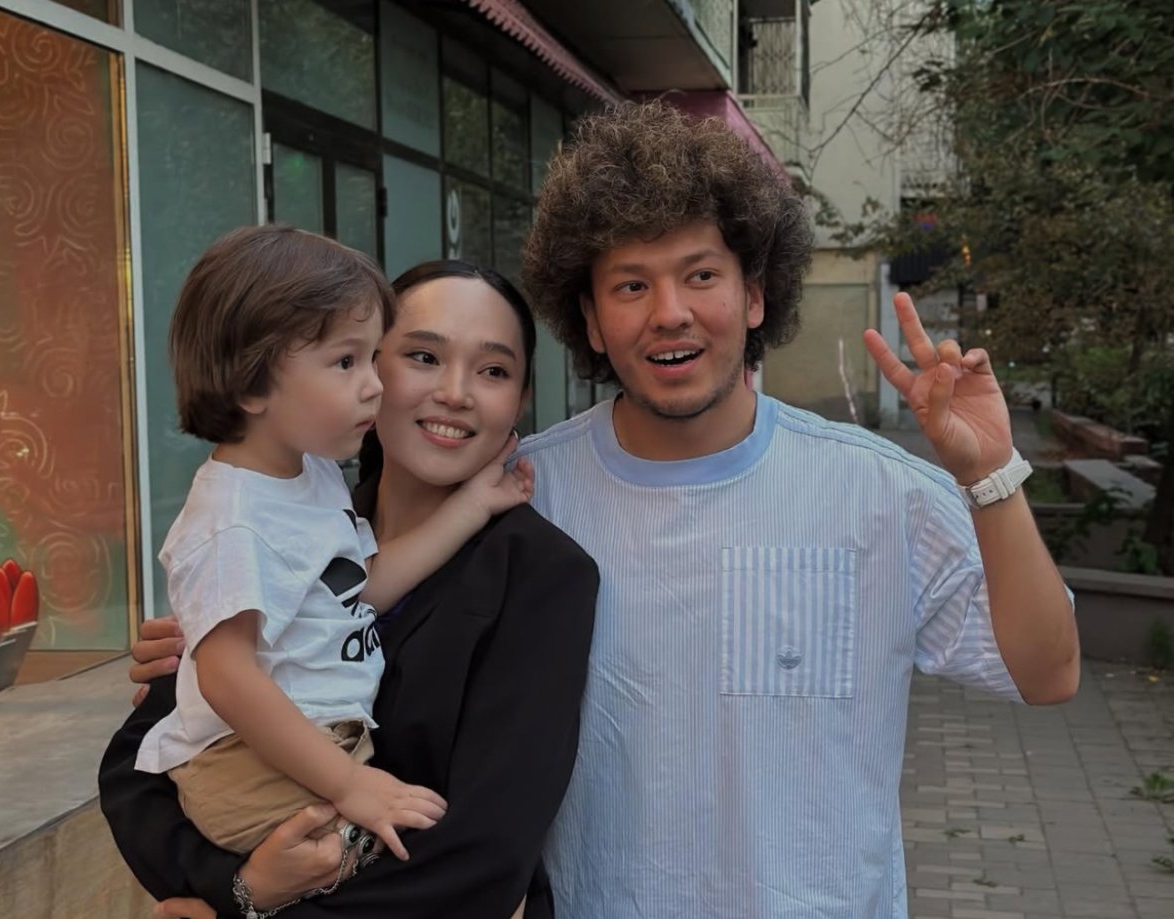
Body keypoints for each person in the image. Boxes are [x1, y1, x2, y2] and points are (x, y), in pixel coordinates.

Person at [122, 101, 1079, 918]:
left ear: (755, 294)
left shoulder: (876, 488)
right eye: (630, 285)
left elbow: (1048, 673)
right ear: (588, 318)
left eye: (700, 275)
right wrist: (222, 644)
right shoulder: (524, 491)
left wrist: (992, 476)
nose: (669, 312)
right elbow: (283, 672)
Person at [99, 260, 599, 919]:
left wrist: (245, 913)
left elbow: (484, 854)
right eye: (422, 357)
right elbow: (135, 771)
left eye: (493, 371)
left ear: (520, 400)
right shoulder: (273, 518)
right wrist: (240, 888)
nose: (456, 393)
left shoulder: (539, 575)